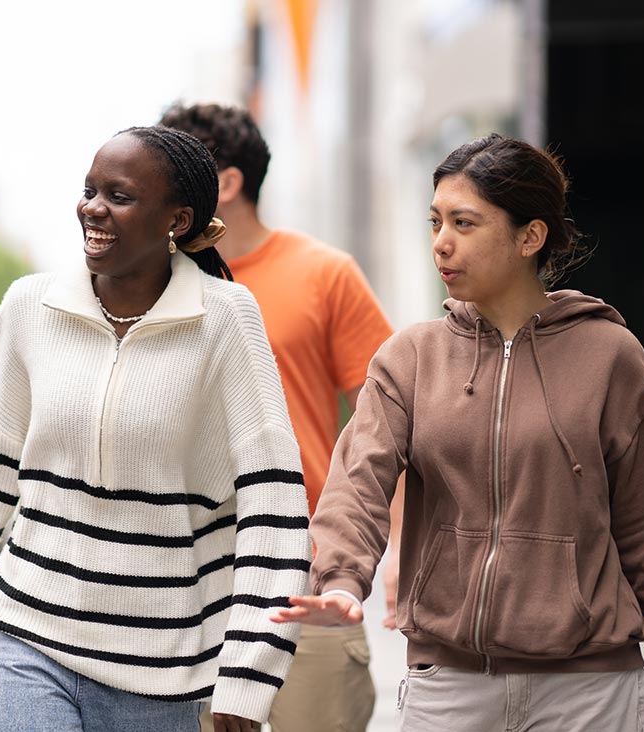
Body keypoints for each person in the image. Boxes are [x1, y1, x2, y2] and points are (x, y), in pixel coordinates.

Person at [273, 133, 644, 732]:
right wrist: (340, 580)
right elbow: (357, 487)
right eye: (435, 221)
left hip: (589, 691)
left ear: (529, 237)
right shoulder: (411, 358)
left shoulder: (608, 356)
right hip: (450, 689)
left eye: (464, 222)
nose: (441, 242)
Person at [0, 126, 312, 732]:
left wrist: (247, 676)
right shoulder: (29, 307)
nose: (91, 208)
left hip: (163, 671)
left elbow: (273, 512)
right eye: (88, 190)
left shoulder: (226, 320)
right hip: (29, 640)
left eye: (118, 196)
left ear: (177, 218)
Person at [160, 102, 394, 732]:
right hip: (187, 584)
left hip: (305, 574)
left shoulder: (325, 274)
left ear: (226, 184)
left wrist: (400, 559)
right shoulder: (152, 284)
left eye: (171, 171)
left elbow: (393, 424)